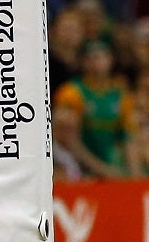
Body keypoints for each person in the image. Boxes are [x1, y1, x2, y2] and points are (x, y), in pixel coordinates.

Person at [53, 40, 133, 179]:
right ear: (83, 62)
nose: (97, 62)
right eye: (92, 57)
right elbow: (68, 140)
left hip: (109, 165)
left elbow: (128, 139)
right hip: (76, 167)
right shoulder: (72, 93)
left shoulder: (120, 96)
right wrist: (103, 170)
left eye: (102, 56)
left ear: (110, 60)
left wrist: (134, 177)